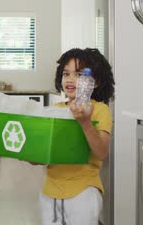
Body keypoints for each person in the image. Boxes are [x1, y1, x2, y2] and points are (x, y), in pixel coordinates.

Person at [39, 48, 115, 225]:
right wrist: (31, 155)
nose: (71, 79)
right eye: (66, 74)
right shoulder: (55, 110)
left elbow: (102, 152)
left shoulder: (99, 110)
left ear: (94, 82)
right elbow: (46, 153)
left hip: (83, 191)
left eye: (80, 74)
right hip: (50, 191)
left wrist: (85, 123)